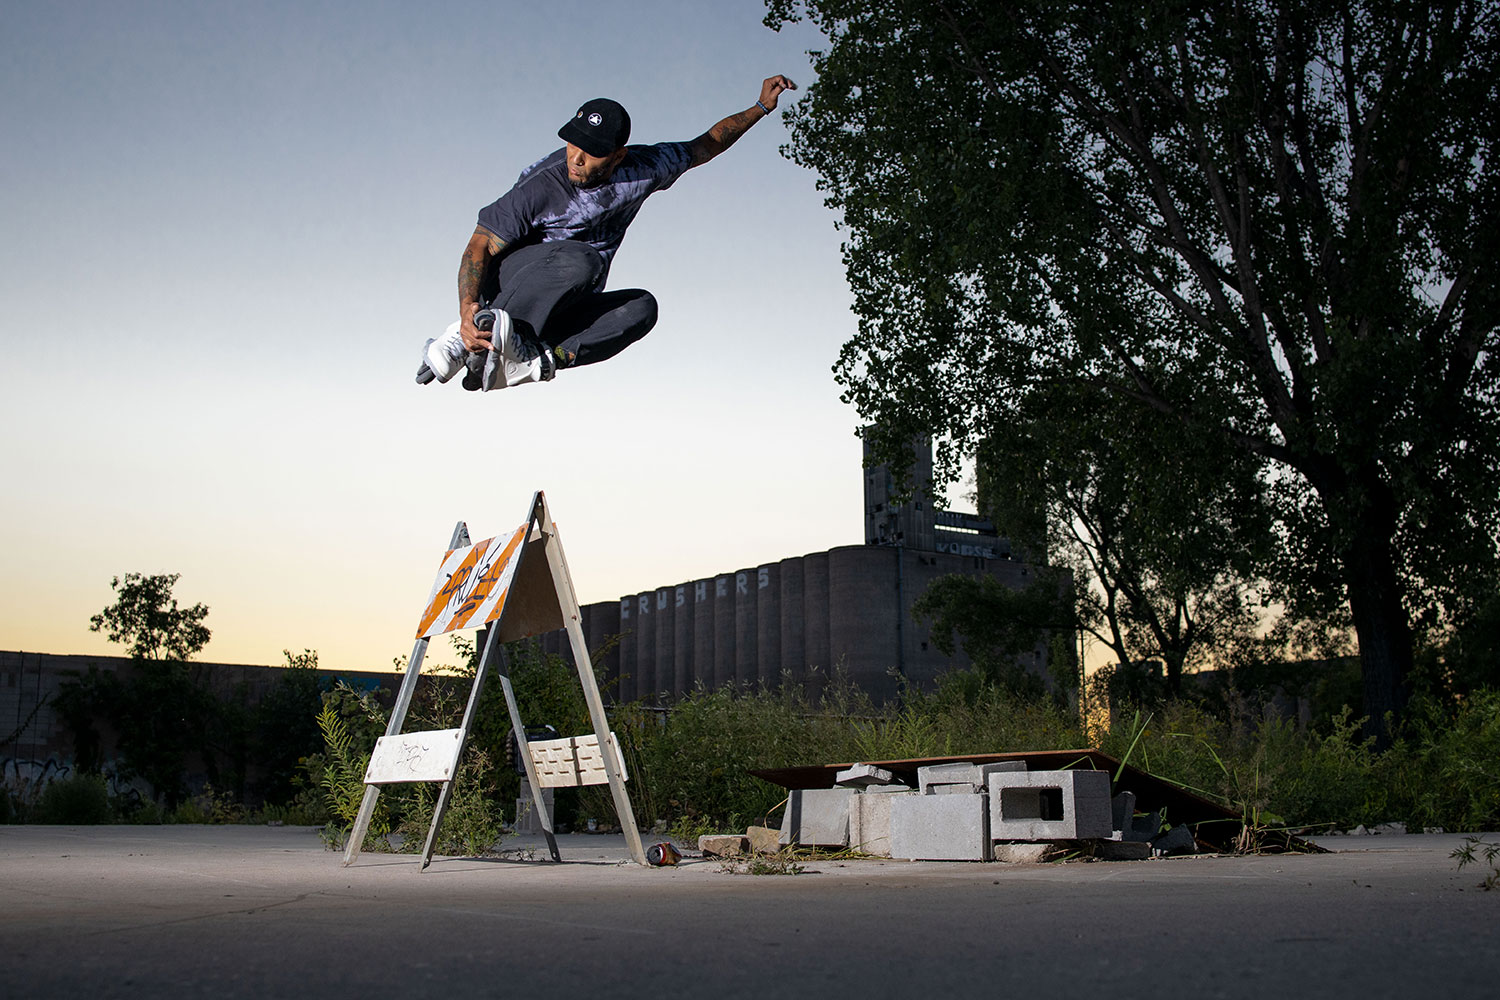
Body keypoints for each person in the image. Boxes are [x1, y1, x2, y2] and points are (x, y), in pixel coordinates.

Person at [417, 74, 797, 392]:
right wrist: (467, 308)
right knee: (583, 259)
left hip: (568, 294)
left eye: (593, 152)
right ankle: (475, 331)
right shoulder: (542, 183)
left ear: (618, 155)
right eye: (573, 144)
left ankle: (538, 359)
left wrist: (760, 107)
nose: (576, 158)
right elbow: (480, 245)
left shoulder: (646, 167)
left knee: (642, 308)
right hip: (513, 280)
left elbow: (706, 146)